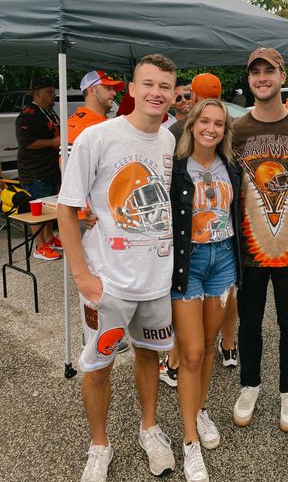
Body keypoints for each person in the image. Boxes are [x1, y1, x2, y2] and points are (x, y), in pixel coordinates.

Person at [57, 54, 177, 482]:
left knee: (149, 356)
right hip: (108, 282)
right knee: (98, 364)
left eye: (164, 85)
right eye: (148, 83)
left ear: (174, 92)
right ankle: (99, 444)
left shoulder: (168, 140)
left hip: (156, 281)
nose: (155, 93)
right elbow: (66, 211)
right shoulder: (97, 137)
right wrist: (82, 277)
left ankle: (149, 429)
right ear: (131, 88)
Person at [232, 47, 288, 433]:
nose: (262, 78)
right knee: (250, 323)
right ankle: (250, 383)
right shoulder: (236, 130)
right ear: (249, 79)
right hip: (250, 250)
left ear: (281, 75)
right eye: (255, 72)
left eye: (269, 71)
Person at [170, 98, 242, 482]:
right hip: (189, 263)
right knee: (192, 353)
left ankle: (200, 410)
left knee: (211, 343)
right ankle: (189, 442)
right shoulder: (176, 167)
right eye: (205, 122)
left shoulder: (230, 166)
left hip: (224, 261)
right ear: (192, 125)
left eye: (218, 123)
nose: (211, 129)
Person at [68, 70, 129, 355]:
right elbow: (66, 168)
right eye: (108, 88)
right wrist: (84, 208)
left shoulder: (106, 122)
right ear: (92, 90)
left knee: (110, 276)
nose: (113, 93)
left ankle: (110, 333)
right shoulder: (78, 124)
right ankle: (94, 339)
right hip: (87, 218)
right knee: (93, 283)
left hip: (106, 215)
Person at [15, 76, 62, 260]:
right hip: (34, 170)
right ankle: (39, 246)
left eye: (54, 91)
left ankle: (49, 238)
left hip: (50, 168)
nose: (53, 95)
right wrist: (52, 142)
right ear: (37, 94)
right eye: (49, 92)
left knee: (50, 206)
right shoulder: (27, 115)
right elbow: (26, 142)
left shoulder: (49, 111)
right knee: (37, 208)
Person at [169, 73, 222, 142]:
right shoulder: (227, 124)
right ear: (219, 98)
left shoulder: (177, 129)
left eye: (188, 96)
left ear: (194, 97)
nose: (184, 100)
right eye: (178, 98)